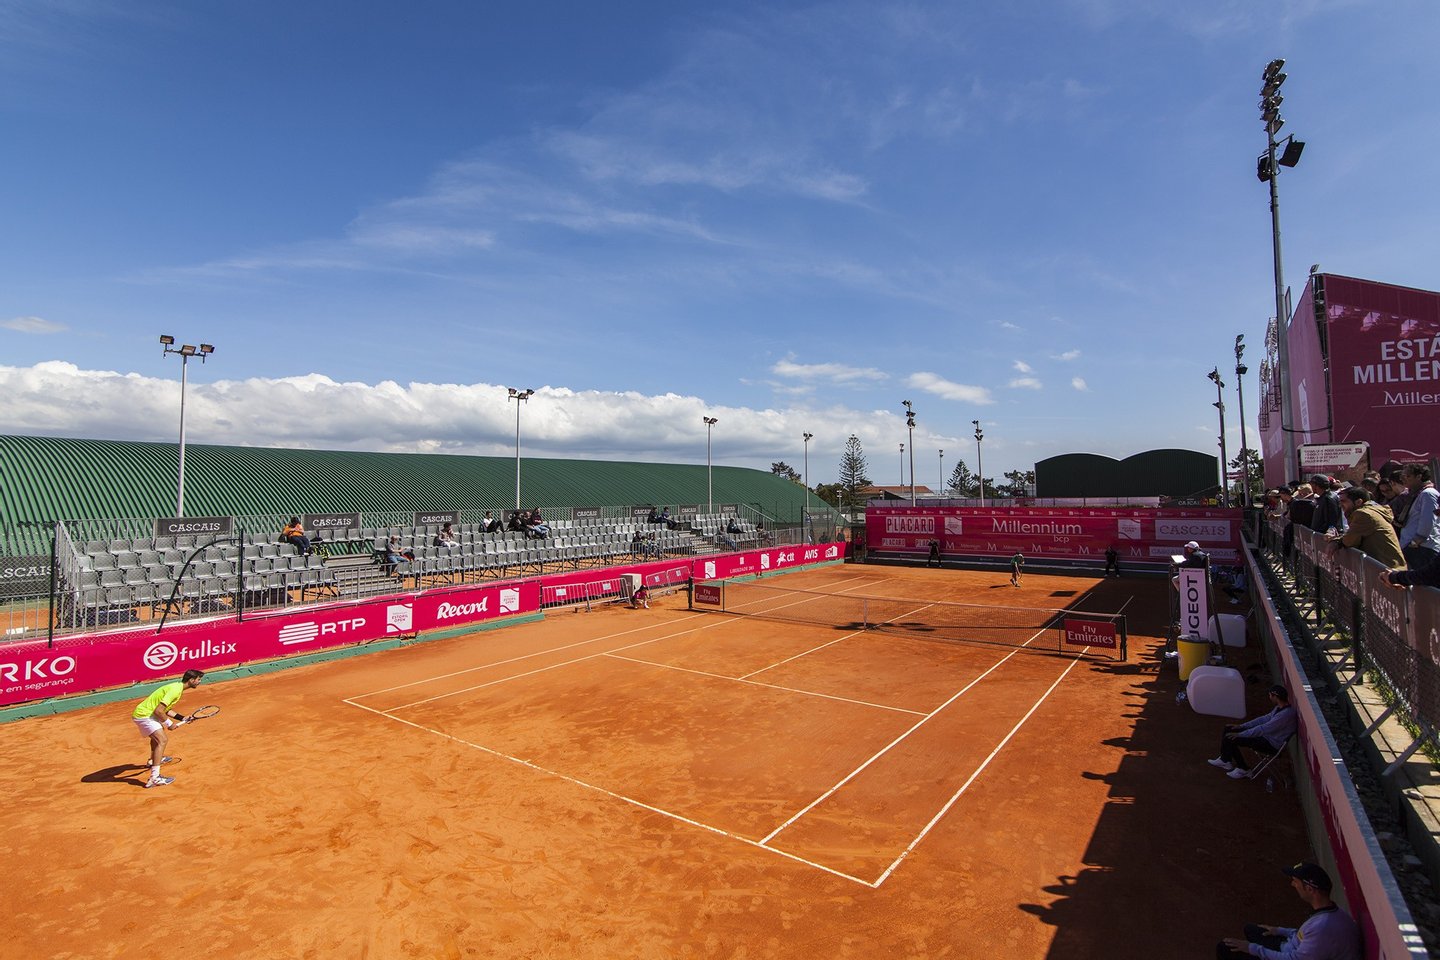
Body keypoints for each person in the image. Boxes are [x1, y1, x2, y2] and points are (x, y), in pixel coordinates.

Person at [1216, 861, 1361, 959]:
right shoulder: (1331, 914)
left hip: (1290, 955)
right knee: (1251, 930)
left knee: (1226, 948)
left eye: (1296, 882)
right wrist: (1279, 930)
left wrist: (1251, 948)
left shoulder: (1322, 927)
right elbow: (1304, 936)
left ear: (1309, 889)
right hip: (1291, 948)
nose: (1293, 885)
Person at [131, 669, 205, 788]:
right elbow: (159, 711)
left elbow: (165, 710)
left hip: (146, 714)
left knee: (157, 736)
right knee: (162, 740)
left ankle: (153, 759)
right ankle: (155, 778)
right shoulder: (175, 691)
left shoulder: (177, 688)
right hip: (145, 715)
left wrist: (182, 718)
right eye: (198, 679)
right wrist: (169, 724)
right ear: (191, 680)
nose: (199, 682)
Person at [1207, 685, 1297, 780]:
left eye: (1270, 695)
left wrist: (1240, 734)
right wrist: (1242, 726)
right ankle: (1225, 760)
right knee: (1228, 729)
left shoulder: (1285, 715)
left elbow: (1263, 729)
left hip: (1270, 744)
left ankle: (1243, 769)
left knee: (1230, 738)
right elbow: (1264, 719)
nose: (1269, 697)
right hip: (1265, 737)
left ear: (1275, 697)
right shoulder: (1280, 708)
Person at [1327, 486, 1405, 570]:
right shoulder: (1369, 511)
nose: (1340, 505)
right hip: (1387, 568)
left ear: (1358, 502)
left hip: (1387, 570)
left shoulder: (1363, 514)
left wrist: (1335, 541)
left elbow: (1349, 541)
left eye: (1343, 501)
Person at [1396, 463, 1439, 571]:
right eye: (1402, 476)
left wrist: (1414, 544)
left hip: (1423, 549)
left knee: (1423, 585)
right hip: (1414, 548)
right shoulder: (1415, 494)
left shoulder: (1428, 494)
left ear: (1419, 476)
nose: (1403, 479)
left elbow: (1428, 522)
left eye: (1407, 476)